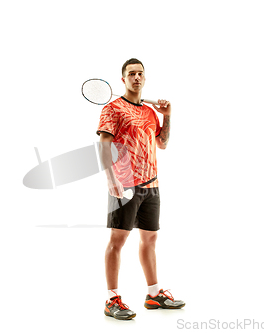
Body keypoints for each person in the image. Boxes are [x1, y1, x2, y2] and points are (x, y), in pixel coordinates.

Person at [96, 58, 185, 320]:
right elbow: (103, 145)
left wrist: (167, 116)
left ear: (144, 79)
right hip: (124, 185)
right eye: (131, 74)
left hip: (152, 185)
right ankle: (112, 299)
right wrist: (111, 178)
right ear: (123, 79)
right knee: (118, 240)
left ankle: (154, 294)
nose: (137, 77)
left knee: (150, 238)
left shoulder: (150, 112)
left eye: (140, 74)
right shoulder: (113, 109)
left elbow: (163, 143)